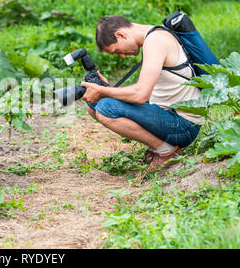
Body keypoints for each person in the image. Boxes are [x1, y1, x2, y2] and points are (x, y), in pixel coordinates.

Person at [81, 15, 204, 171]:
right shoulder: (154, 36)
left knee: (106, 108)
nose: (123, 56)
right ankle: (160, 147)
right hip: (168, 113)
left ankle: (167, 153)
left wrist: (103, 91)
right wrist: (105, 89)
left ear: (121, 35)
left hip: (184, 124)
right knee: (94, 104)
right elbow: (143, 90)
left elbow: (140, 95)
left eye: (117, 51)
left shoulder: (156, 41)